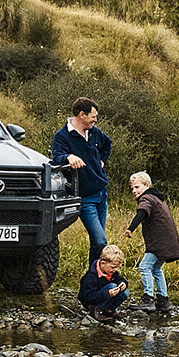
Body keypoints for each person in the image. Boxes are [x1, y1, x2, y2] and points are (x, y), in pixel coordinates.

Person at [51, 97, 112, 265]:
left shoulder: (95, 132)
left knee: (97, 242)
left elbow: (108, 144)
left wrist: (102, 161)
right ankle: (106, 274)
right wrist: (68, 157)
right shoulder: (62, 136)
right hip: (85, 198)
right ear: (81, 114)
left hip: (101, 193)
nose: (95, 119)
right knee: (101, 242)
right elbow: (56, 158)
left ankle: (94, 279)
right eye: (93, 116)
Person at [121, 171, 179, 315]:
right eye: (132, 188)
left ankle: (148, 299)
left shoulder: (147, 198)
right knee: (156, 269)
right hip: (167, 241)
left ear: (147, 185)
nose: (134, 191)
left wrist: (130, 229)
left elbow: (142, 213)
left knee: (144, 266)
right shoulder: (157, 198)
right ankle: (163, 300)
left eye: (137, 187)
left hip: (159, 242)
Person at [78, 243, 129, 322]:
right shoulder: (90, 276)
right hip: (90, 302)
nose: (115, 270)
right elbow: (87, 297)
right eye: (113, 267)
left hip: (104, 295)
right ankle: (95, 310)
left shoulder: (112, 272)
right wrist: (107, 293)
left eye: (117, 267)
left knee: (125, 291)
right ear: (103, 263)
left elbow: (119, 279)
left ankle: (109, 311)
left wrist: (123, 283)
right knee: (112, 286)